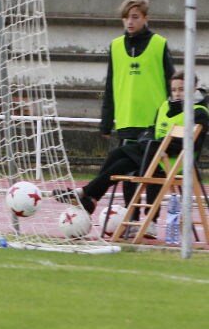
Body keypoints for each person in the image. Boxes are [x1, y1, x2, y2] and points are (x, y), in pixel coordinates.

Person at [55, 71, 209, 226]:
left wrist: (161, 144)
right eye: (174, 90)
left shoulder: (200, 112)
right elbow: (153, 129)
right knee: (120, 159)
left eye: (182, 89)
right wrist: (148, 139)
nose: (177, 94)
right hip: (154, 154)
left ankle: (87, 195)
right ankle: (89, 197)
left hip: (176, 162)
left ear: (194, 88)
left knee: (124, 156)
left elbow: (193, 144)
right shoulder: (165, 106)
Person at [100, 0, 175, 145]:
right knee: (124, 167)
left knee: (151, 167)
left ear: (145, 18)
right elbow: (110, 87)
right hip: (126, 121)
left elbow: (171, 83)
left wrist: (172, 117)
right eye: (126, 17)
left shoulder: (159, 44)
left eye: (135, 17)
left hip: (154, 121)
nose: (129, 22)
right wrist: (106, 124)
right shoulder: (116, 46)